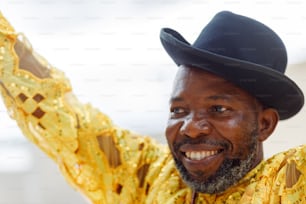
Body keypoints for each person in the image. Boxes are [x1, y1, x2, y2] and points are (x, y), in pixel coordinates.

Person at [0, 10, 305, 204]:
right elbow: (60, 115)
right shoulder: (151, 177)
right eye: (178, 110)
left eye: (218, 110)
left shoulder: (291, 183)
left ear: (264, 124)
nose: (189, 127)